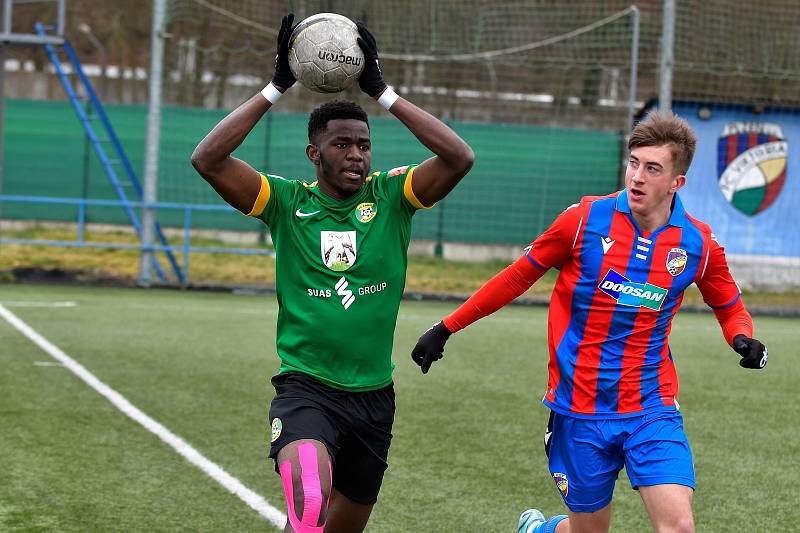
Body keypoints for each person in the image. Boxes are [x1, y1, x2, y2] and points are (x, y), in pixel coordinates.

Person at [411, 111, 768, 533]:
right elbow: (517, 276)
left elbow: (728, 305)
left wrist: (742, 337)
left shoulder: (697, 244)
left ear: (677, 182)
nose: (637, 176)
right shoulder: (583, 220)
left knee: (679, 527)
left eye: (652, 168)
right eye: (633, 163)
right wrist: (447, 327)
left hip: (650, 406)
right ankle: (541, 529)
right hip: (578, 408)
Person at [191, 14, 474, 533]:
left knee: (339, 527)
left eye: (363, 145)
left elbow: (458, 157)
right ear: (313, 153)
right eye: (342, 144)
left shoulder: (392, 198)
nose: (356, 155)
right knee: (309, 501)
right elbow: (208, 159)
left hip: (374, 397)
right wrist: (277, 86)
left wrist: (383, 93)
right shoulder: (284, 201)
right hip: (306, 390)